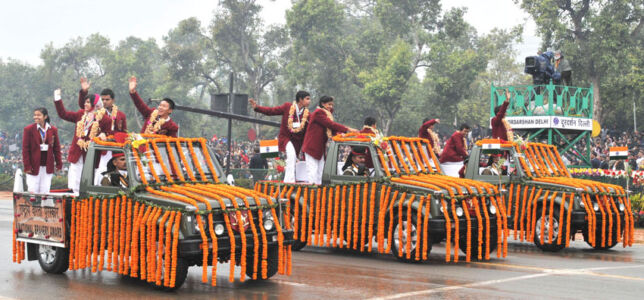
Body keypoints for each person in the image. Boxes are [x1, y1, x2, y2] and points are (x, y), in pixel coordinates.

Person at [54, 89, 111, 194]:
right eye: (85, 102)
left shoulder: (105, 119)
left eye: (88, 102)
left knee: (90, 181)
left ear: (95, 103)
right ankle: (76, 199)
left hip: (92, 155)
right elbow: (63, 114)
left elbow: (109, 134)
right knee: (76, 181)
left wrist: (104, 135)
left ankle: (88, 202)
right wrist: (57, 98)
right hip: (77, 153)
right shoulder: (80, 114)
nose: (85, 104)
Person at [250, 91, 311, 183]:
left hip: (297, 142)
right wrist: (257, 108)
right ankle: (289, 181)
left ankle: (289, 179)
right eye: (307, 99)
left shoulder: (308, 115)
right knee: (291, 155)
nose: (309, 101)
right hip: (285, 138)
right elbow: (272, 111)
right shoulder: (287, 107)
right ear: (300, 100)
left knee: (293, 158)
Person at [77, 78, 129, 184]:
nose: (104, 102)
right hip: (101, 147)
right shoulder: (97, 114)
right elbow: (82, 105)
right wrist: (84, 91)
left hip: (115, 147)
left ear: (113, 100)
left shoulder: (121, 115)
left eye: (107, 99)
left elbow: (124, 132)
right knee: (100, 170)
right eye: (103, 99)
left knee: (113, 169)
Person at [302, 96, 357, 184]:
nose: (331, 106)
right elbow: (330, 124)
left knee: (320, 171)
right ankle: (313, 191)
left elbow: (331, 129)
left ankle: (319, 191)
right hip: (312, 146)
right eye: (329, 104)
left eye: (332, 105)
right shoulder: (318, 113)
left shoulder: (327, 114)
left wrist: (341, 134)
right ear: (323, 104)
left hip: (320, 147)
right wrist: (347, 129)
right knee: (312, 171)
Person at [22, 108, 62, 193]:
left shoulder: (53, 130)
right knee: (33, 190)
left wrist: (59, 164)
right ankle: (34, 205)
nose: (36, 117)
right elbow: (25, 149)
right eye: (35, 115)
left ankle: (44, 206)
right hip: (33, 166)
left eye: (38, 115)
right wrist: (27, 166)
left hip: (48, 165)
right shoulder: (28, 129)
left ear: (45, 116)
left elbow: (56, 148)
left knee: (45, 190)